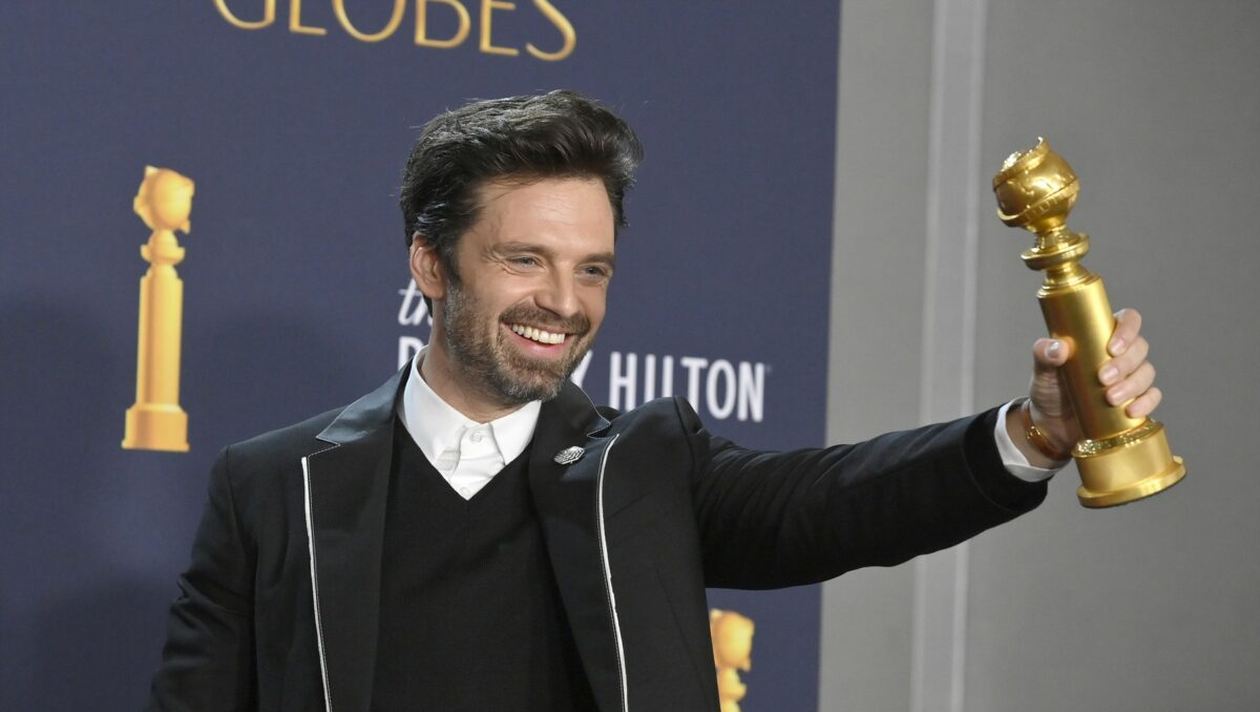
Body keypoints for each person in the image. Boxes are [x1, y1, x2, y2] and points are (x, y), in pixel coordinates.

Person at [146, 90, 1161, 712]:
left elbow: (836, 501)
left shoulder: (645, 467)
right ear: (431, 263)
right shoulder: (274, 486)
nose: (564, 302)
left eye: (592, 269)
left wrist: (1033, 435)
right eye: (526, 260)